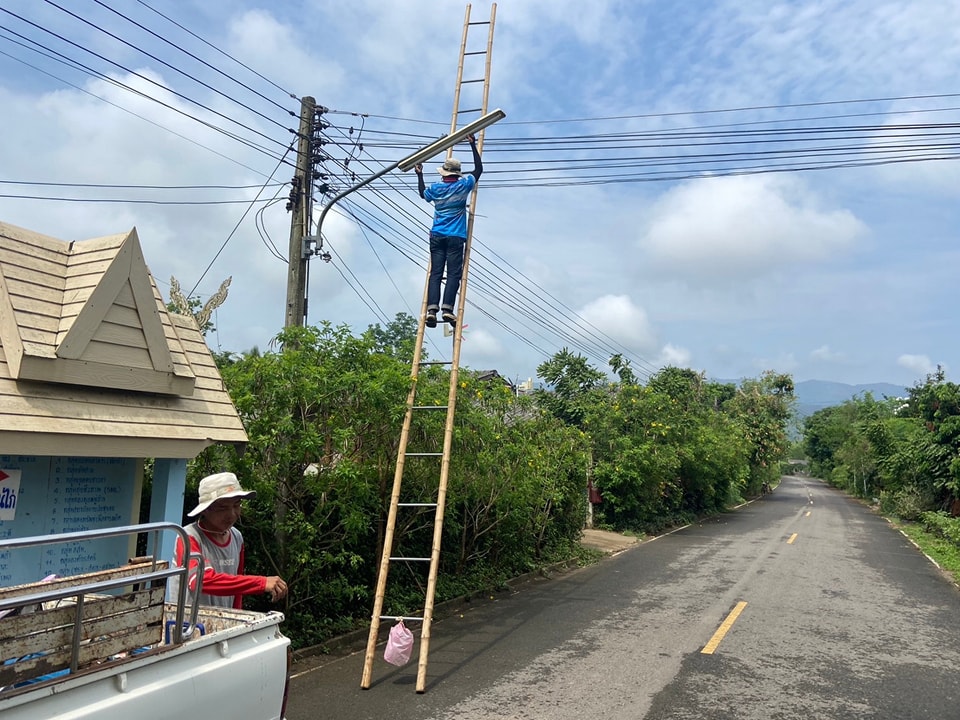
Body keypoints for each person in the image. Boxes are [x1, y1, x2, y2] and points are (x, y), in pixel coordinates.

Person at [172, 472, 287, 608]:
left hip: (223, 623)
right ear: (205, 510)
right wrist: (260, 583)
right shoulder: (188, 537)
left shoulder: (237, 537)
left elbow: (237, 592)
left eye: (236, 505)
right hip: (188, 626)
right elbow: (199, 580)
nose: (232, 514)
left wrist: (237, 618)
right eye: (223, 508)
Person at [414, 133, 483, 327]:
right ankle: (447, 309)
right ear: (457, 173)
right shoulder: (463, 186)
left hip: (436, 235)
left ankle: (431, 309)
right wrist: (472, 144)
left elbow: (422, 194)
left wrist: (419, 174)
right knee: (453, 273)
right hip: (455, 236)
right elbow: (479, 170)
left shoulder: (436, 188)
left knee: (436, 273)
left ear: (443, 173)